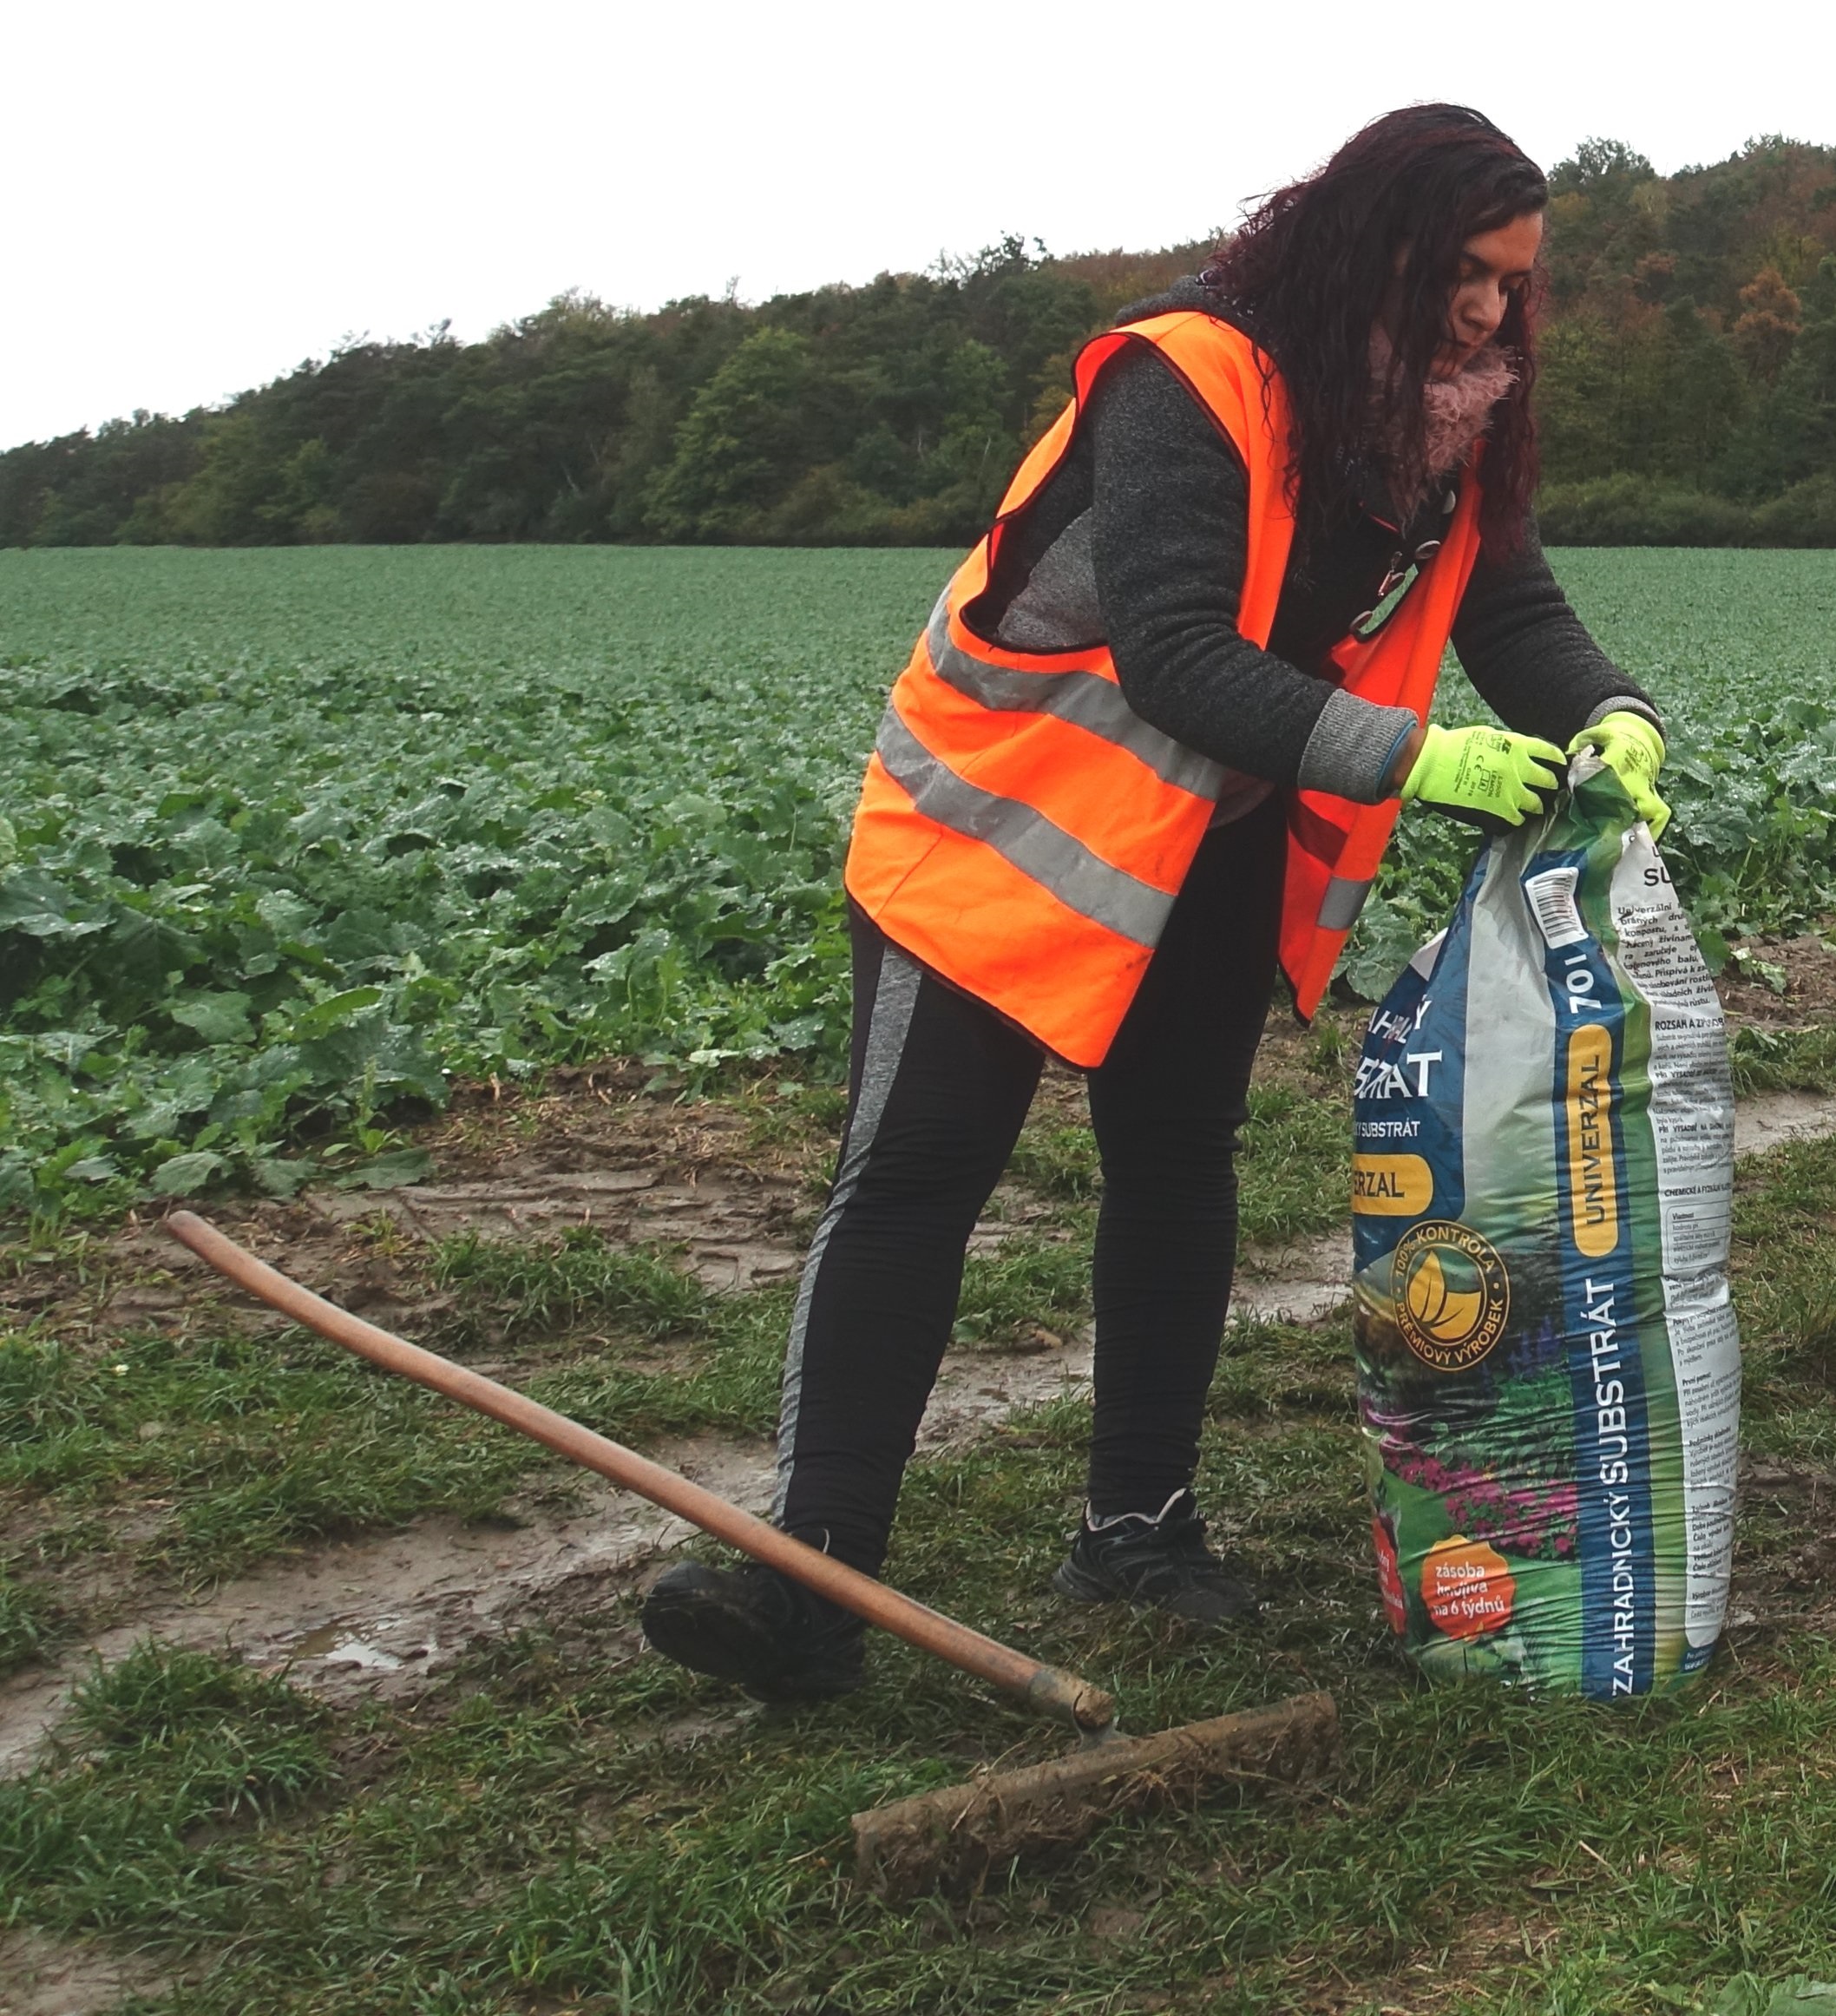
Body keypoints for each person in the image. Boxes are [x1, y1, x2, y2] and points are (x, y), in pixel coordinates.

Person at [639, 105, 1671, 1702]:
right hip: (997, 819)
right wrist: (1417, 760)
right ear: (1371, 247)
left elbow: (1513, 604)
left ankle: (1140, 1528)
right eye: (1466, 275)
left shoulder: (1451, 414)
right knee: (918, 1175)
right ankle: (813, 1585)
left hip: (1205, 833)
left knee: (1176, 1155)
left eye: (1516, 285)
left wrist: (1614, 710)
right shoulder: (1185, 376)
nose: (1489, 313)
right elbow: (1180, 653)